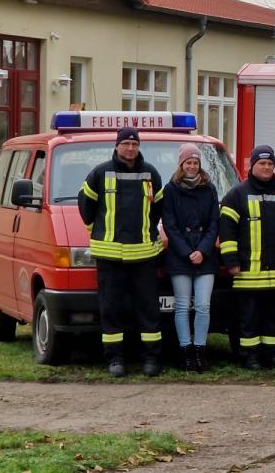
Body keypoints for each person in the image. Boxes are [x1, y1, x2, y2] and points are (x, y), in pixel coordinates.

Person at [77, 126, 165, 378]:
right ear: (117, 146)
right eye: (126, 144)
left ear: (139, 147)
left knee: (148, 309)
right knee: (111, 308)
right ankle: (115, 359)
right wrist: (99, 230)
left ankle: (151, 359)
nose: (130, 148)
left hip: (144, 255)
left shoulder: (151, 174)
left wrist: (146, 230)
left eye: (134, 144)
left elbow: (158, 208)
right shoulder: (100, 173)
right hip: (110, 256)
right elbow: (86, 207)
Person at [219, 145, 275, 370]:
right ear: (252, 166)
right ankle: (250, 356)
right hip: (247, 273)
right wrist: (232, 262)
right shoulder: (237, 195)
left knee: (273, 317)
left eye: (269, 164)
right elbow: (227, 232)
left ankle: (271, 354)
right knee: (249, 318)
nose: (266, 167)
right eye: (261, 163)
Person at [160, 143, 220, 373]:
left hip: (205, 257)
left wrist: (203, 250)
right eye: (188, 163)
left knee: (203, 305)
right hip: (179, 257)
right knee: (183, 306)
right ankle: (185, 352)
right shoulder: (171, 189)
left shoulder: (210, 189)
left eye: (195, 162)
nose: (192, 166)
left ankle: (200, 351)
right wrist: (187, 252)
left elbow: (215, 222)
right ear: (181, 165)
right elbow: (170, 225)